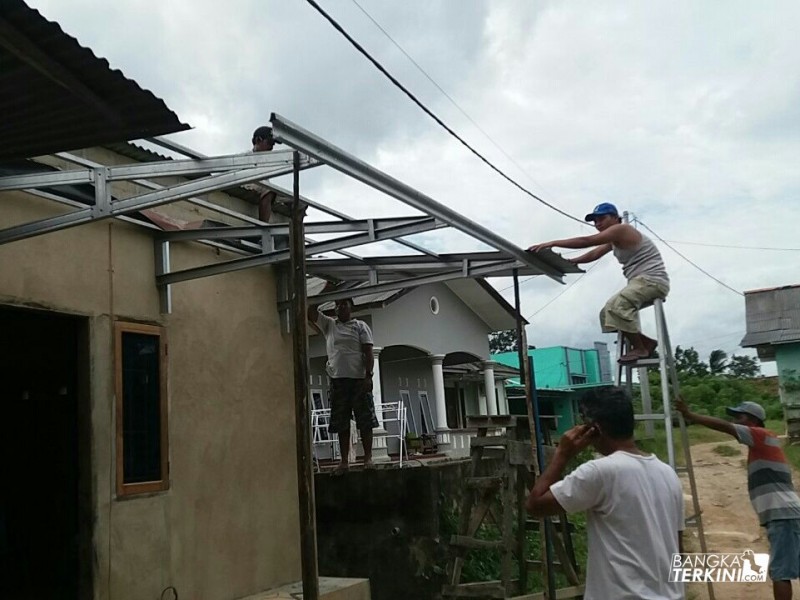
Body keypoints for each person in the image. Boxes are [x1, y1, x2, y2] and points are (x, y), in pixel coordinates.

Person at [527, 387, 685, 600]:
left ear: (595, 429)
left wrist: (562, 454)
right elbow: (678, 550)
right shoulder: (668, 474)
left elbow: (535, 505)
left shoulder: (600, 471)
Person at [676, 398, 800, 600]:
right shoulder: (763, 441)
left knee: (781, 572)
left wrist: (691, 416)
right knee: (785, 567)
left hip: (783, 516)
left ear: (753, 420)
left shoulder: (760, 435)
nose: (735, 421)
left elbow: (726, 427)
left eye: (739, 417)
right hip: (785, 515)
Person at [528, 202, 669, 363]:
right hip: (640, 282)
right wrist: (572, 261)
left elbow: (587, 240)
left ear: (615, 218)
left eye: (602, 218)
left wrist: (552, 243)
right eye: (595, 221)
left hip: (652, 281)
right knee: (606, 314)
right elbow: (594, 253)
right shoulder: (614, 240)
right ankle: (645, 342)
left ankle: (640, 348)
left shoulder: (622, 230)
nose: (598, 224)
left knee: (615, 307)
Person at [307, 296, 378, 473]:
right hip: (338, 381)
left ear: (351, 307)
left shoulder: (360, 326)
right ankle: (344, 461)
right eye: (337, 305)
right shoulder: (330, 325)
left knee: (365, 420)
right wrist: (328, 291)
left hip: (358, 380)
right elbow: (311, 312)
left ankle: (368, 457)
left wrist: (369, 376)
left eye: (344, 304)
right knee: (341, 422)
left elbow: (368, 352)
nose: (341, 308)